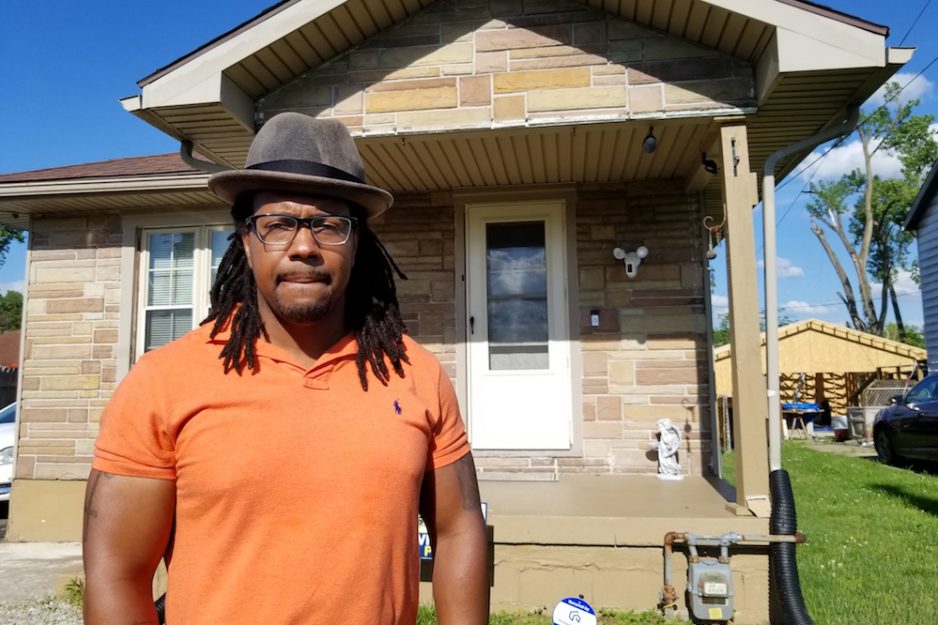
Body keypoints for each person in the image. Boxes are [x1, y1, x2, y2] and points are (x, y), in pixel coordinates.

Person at [82, 112, 489, 625]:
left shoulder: (415, 372)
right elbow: (116, 572)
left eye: (328, 225)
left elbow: (459, 528)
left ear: (356, 243)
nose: (304, 247)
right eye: (278, 225)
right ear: (246, 242)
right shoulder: (164, 380)